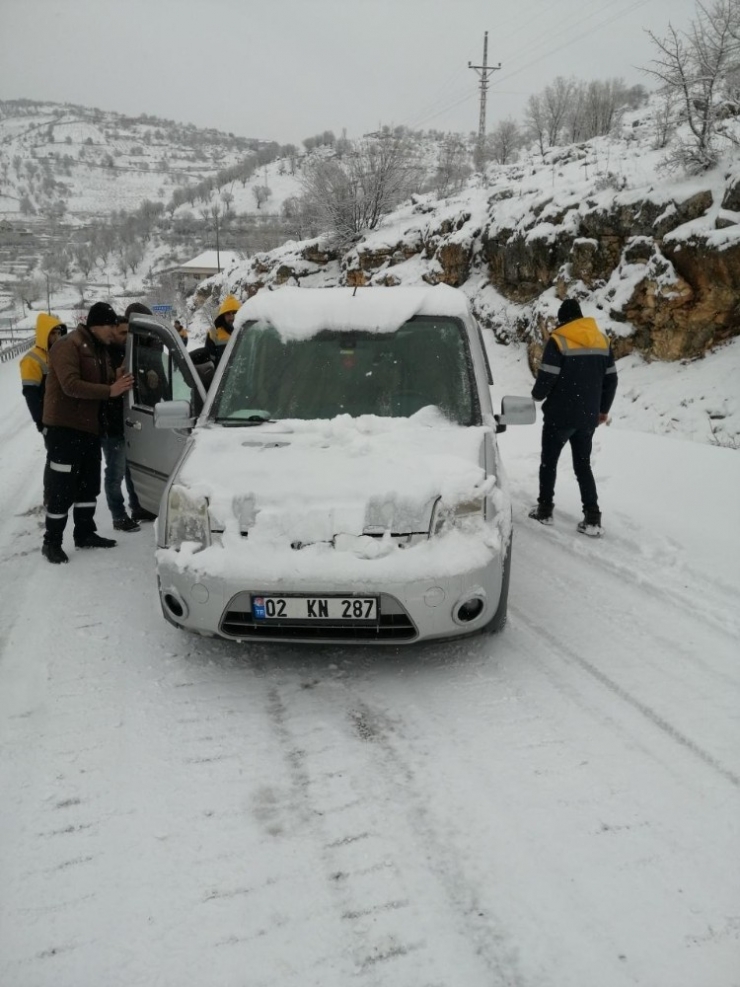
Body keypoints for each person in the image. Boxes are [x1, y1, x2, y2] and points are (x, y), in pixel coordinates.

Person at [40, 301, 134, 564]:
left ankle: (84, 533)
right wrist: (109, 390)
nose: (113, 332)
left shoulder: (99, 349)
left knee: (88, 486)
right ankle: (52, 542)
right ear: (98, 325)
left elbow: (97, 383)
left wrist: (113, 379)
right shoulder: (66, 346)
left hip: (90, 429)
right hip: (64, 430)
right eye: (111, 326)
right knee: (61, 488)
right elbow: (70, 385)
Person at [528, 298, 618, 537]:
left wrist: (537, 396)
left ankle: (545, 510)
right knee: (582, 465)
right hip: (588, 417)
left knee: (549, 462)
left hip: (559, 415)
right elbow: (611, 379)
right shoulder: (602, 340)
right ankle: (592, 517)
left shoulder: (559, 340)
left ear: (563, 319)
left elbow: (547, 375)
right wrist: (602, 409)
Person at [99, 303, 156, 531]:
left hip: (132, 423)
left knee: (132, 469)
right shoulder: (105, 355)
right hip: (111, 425)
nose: (126, 337)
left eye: (128, 333)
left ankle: (138, 506)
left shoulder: (133, 353)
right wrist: (114, 380)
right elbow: (101, 389)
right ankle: (118, 515)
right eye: (122, 333)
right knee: (115, 472)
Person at [19, 312, 66, 431]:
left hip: (65, 415)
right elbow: (31, 394)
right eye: (53, 334)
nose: (57, 337)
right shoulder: (31, 360)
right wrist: (41, 423)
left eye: (59, 333)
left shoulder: (57, 353)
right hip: (50, 419)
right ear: (44, 334)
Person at [205, 294, 240, 366]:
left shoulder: (247, 331)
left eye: (234, 313)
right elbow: (209, 362)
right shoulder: (213, 333)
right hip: (222, 376)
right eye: (228, 314)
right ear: (223, 316)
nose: (231, 317)